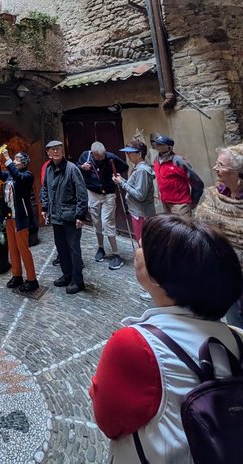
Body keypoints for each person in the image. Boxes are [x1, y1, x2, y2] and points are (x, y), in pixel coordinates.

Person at [90, 215, 243, 463]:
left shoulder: (134, 345)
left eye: (143, 247)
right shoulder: (235, 338)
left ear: (158, 278)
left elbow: (109, 421)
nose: (138, 249)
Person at [196, 143, 243, 327]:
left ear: (239, 173)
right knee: (233, 320)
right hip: (225, 273)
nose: (216, 169)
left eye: (221, 165)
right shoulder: (215, 194)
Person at [40, 140, 88, 294]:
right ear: (48, 153)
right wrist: (45, 207)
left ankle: (77, 280)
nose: (56, 152)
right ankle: (67, 275)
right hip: (56, 216)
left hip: (71, 216)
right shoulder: (49, 169)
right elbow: (45, 189)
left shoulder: (72, 169)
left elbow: (81, 193)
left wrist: (81, 215)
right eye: (52, 150)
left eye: (58, 149)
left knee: (73, 249)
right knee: (61, 248)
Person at [77, 141, 129, 269]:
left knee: (107, 222)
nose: (102, 158)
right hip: (92, 192)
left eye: (103, 155)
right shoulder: (85, 156)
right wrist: (82, 167)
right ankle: (101, 248)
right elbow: (76, 166)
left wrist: (115, 174)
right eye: (99, 157)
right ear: (93, 154)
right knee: (96, 222)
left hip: (109, 193)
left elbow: (124, 167)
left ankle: (116, 253)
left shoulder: (110, 157)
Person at [0, 149, 39, 293]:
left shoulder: (27, 176)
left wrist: (7, 158)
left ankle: (32, 279)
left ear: (24, 163)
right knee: (12, 248)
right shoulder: (10, 176)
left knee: (23, 248)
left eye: (17, 160)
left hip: (21, 217)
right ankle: (17, 275)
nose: (14, 161)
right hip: (9, 216)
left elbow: (18, 176)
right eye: (14, 159)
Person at [112, 139, 156, 245]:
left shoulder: (142, 170)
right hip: (137, 212)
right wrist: (122, 180)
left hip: (142, 214)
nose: (127, 155)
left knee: (143, 243)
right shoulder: (138, 168)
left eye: (129, 152)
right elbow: (135, 186)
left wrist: (122, 184)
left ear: (139, 154)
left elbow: (140, 195)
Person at [152, 134, 203, 218]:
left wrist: (193, 202)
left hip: (180, 204)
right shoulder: (156, 161)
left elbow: (197, 182)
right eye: (157, 143)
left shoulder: (178, 161)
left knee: (183, 229)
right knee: (171, 229)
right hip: (165, 202)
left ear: (169, 147)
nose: (157, 145)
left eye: (161, 144)